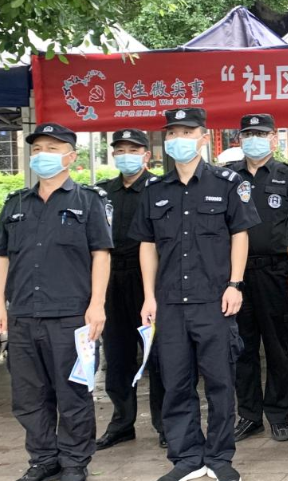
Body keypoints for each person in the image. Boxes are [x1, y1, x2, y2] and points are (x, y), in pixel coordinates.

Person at [130, 108, 260, 481]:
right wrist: (149, 296)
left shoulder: (227, 183)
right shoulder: (155, 190)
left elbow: (240, 235)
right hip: (169, 303)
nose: (178, 140)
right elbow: (147, 246)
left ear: (204, 138)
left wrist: (235, 284)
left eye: (186, 133)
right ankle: (186, 458)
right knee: (175, 383)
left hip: (213, 300)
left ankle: (219, 457)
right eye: (172, 134)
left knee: (220, 382)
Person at [0, 123, 113, 481]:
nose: (42, 154)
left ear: (71, 157)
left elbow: (101, 254)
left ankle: (74, 461)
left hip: (71, 316)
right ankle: (43, 460)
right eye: (37, 148)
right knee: (29, 396)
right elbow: (2, 257)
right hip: (24, 315)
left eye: (52, 148)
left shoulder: (88, 201)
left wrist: (97, 304)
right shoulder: (16, 203)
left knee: (72, 392)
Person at [227, 114, 288, 443]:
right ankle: (248, 415)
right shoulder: (229, 176)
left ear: (274, 139)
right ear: (240, 139)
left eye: (261, 134)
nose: (254, 140)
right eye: (248, 134)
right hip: (238, 274)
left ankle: (279, 415)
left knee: (277, 347)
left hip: (276, 272)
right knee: (241, 348)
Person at [96, 128, 166, 451]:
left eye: (133, 150)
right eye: (120, 150)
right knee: (117, 353)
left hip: (147, 278)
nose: (126, 156)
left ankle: (164, 423)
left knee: (157, 354)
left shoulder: (159, 189)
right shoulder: (102, 192)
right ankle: (122, 423)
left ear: (146, 155)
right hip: (112, 278)